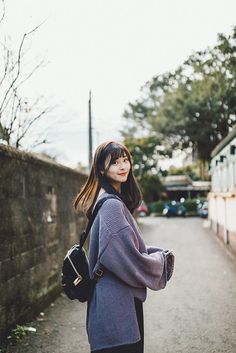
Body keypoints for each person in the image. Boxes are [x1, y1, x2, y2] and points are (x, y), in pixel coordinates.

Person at [73, 140, 173, 353]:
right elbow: (130, 261)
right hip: (117, 308)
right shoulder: (111, 206)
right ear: (101, 168)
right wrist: (161, 260)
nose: (123, 166)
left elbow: (122, 249)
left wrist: (150, 251)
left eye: (125, 160)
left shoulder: (107, 199)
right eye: (115, 162)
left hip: (111, 302)